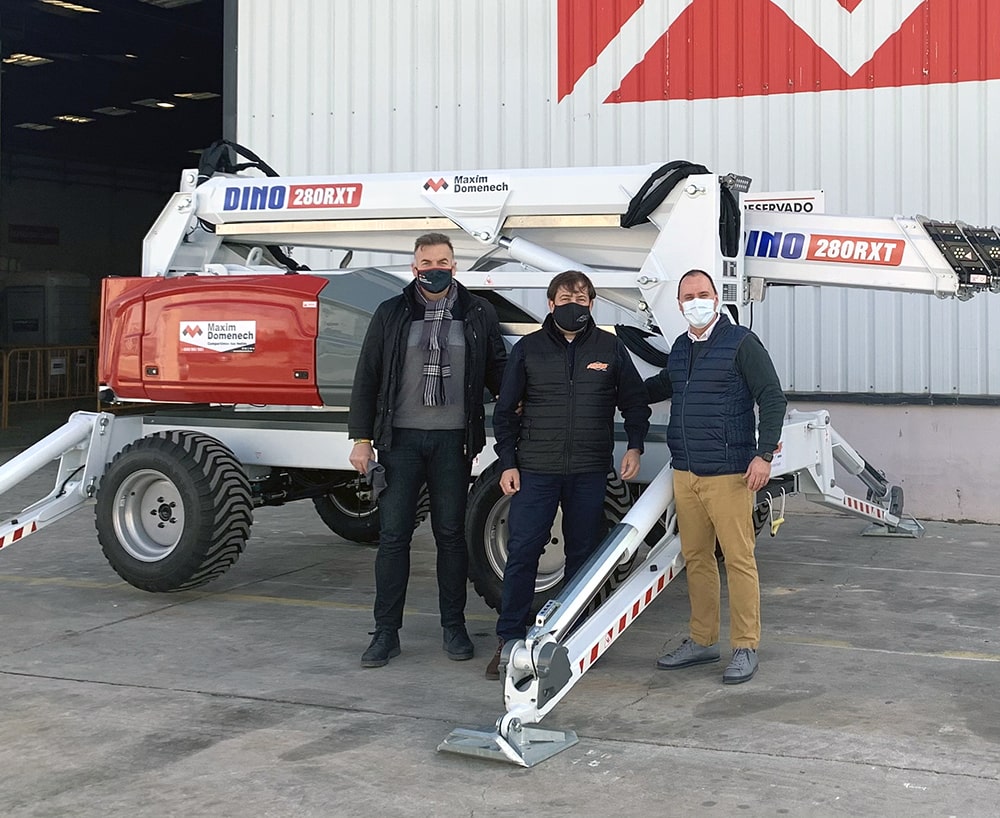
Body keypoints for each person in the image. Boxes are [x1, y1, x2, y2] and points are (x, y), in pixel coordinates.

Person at [348, 232, 507, 668]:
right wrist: (361, 439)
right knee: (394, 537)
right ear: (414, 265)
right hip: (399, 441)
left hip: (452, 443)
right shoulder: (392, 312)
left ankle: (453, 627)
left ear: (454, 265)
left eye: (442, 260)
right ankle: (385, 633)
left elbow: (497, 371)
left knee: (451, 537)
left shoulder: (477, 312)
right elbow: (369, 375)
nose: (433, 267)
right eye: (425, 261)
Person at [486, 271, 651, 680]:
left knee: (583, 556)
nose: (573, 303)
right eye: (564, 297)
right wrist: (508, 462)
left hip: (589, 470)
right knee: (524, 552)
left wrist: (635, 445)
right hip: (535, 470)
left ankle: (574, 635)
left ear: (592, 303)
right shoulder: (528, 349)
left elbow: (635, 403)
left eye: (581, 297)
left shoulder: (611, 348)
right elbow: (505, 412)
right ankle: (509, 639)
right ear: (550, 303)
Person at [645, 269, 786, 684]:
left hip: (729, 474)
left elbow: (772, 397)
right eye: (688, 295)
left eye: (702, 293)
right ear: (679, 305)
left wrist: (763, 456)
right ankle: (702, 641)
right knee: (696, 559)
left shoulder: (741, 343)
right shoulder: (681, 348)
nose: (696, 301)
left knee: (739, 560)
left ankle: (745, 645)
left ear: (716, 297)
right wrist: (608, 383)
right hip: (686, 472)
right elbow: (661, 386)